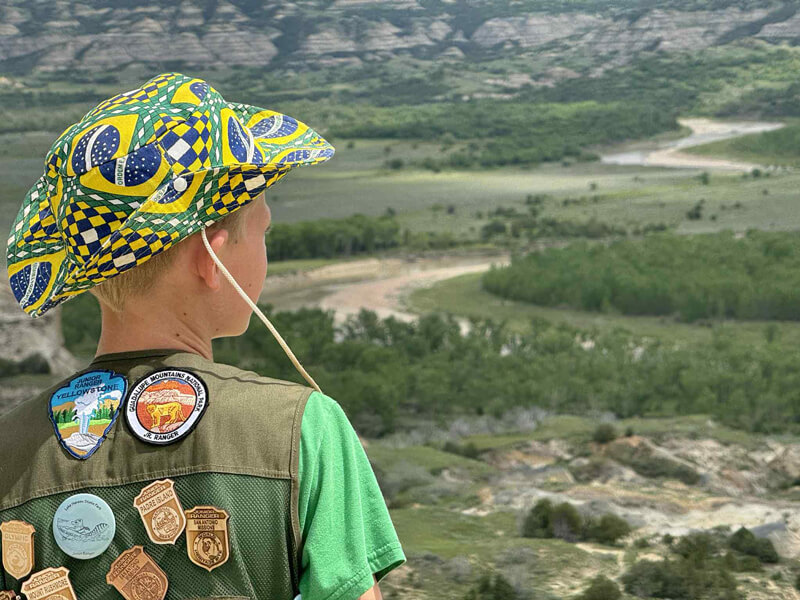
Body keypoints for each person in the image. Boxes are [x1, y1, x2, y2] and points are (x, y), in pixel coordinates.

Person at [1, 72, 406, 600]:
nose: (266, 249)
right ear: (210, 258)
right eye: (262, 230)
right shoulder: (303, 432)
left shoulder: (9, 452)